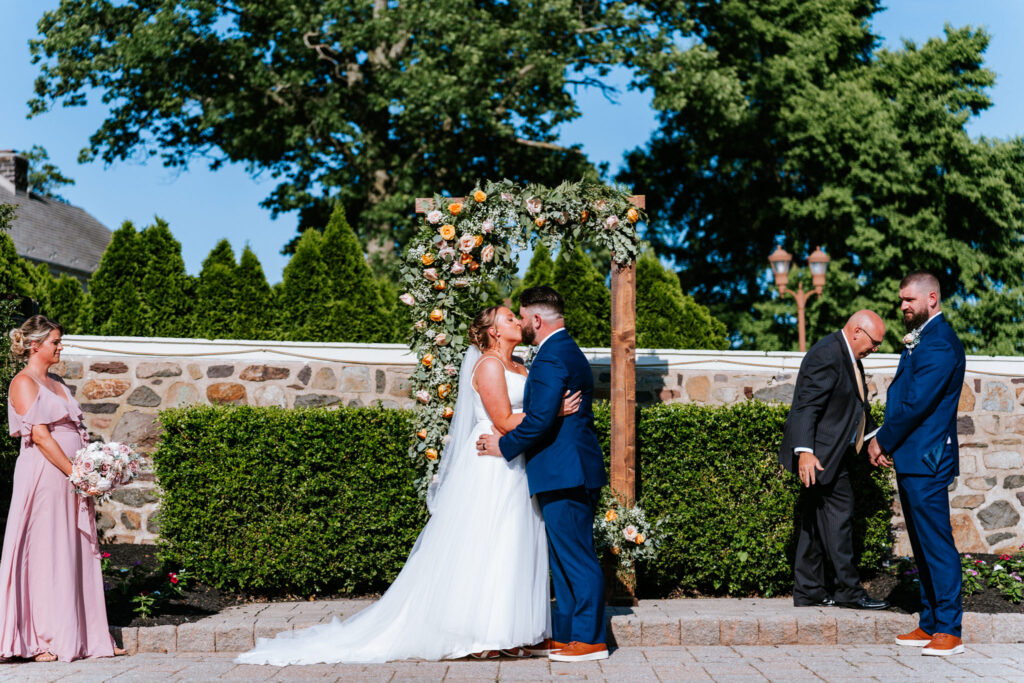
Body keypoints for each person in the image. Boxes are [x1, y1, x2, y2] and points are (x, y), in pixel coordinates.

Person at [236, 305, 581, 664]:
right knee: (486, 540)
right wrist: (552, 413)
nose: (517, 322)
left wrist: (542, 417)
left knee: (514, 541)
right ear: (494, 331)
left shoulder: (521, 366)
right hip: (491, 460)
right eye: (509, 318)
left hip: (515, 457)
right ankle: (479, 632)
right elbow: (505, 419)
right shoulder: (490, 365)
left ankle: (510, 632)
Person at [476, 286, 609, 663]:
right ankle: (567, 634)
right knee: (563, 558)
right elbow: (544, 415)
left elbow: (535, 422)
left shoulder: (551, 358)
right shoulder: (563, 351)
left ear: (537, 320)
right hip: (564, 471)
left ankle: (589, 638)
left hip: (565, 472)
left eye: (522, 316)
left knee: (576, 557)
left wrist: (502, 446)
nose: (520, 323)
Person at [1, 316, 125, 662]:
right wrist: (76, 473)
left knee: (73, 550)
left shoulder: (57, 382)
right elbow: (39, 435)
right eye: (55, 341)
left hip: (70, 476)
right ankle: (39, 638)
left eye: (60, 341)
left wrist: (90, 468)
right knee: (44, 551)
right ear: (35, 345)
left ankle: (84, 635)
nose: (60, 347)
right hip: (45, 474)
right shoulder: (23, 382)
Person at [868, 271, 966, 656]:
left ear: (932, 298)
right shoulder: (922, 340)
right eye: (901, 300)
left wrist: (882, 438)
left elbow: (917, 404)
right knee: (922, 546)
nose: (903, 307)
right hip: (912, 457)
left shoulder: (940, 344)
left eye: (910, 300)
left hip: (928, 457)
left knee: (937, 543)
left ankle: (950, 629)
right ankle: (929, 623)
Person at [778, 310, 889, 611]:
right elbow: (805, 406)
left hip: (832, 455)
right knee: (840, 519)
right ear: (856, 332)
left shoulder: (849, 357)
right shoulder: (827, 353)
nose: (875, 349)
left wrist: (869, 441)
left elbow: (850, 410)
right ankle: (849, 592)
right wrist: (805, 452)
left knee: (813, 523)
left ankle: (809, 591)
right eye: (874, 342)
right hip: (820, 457)